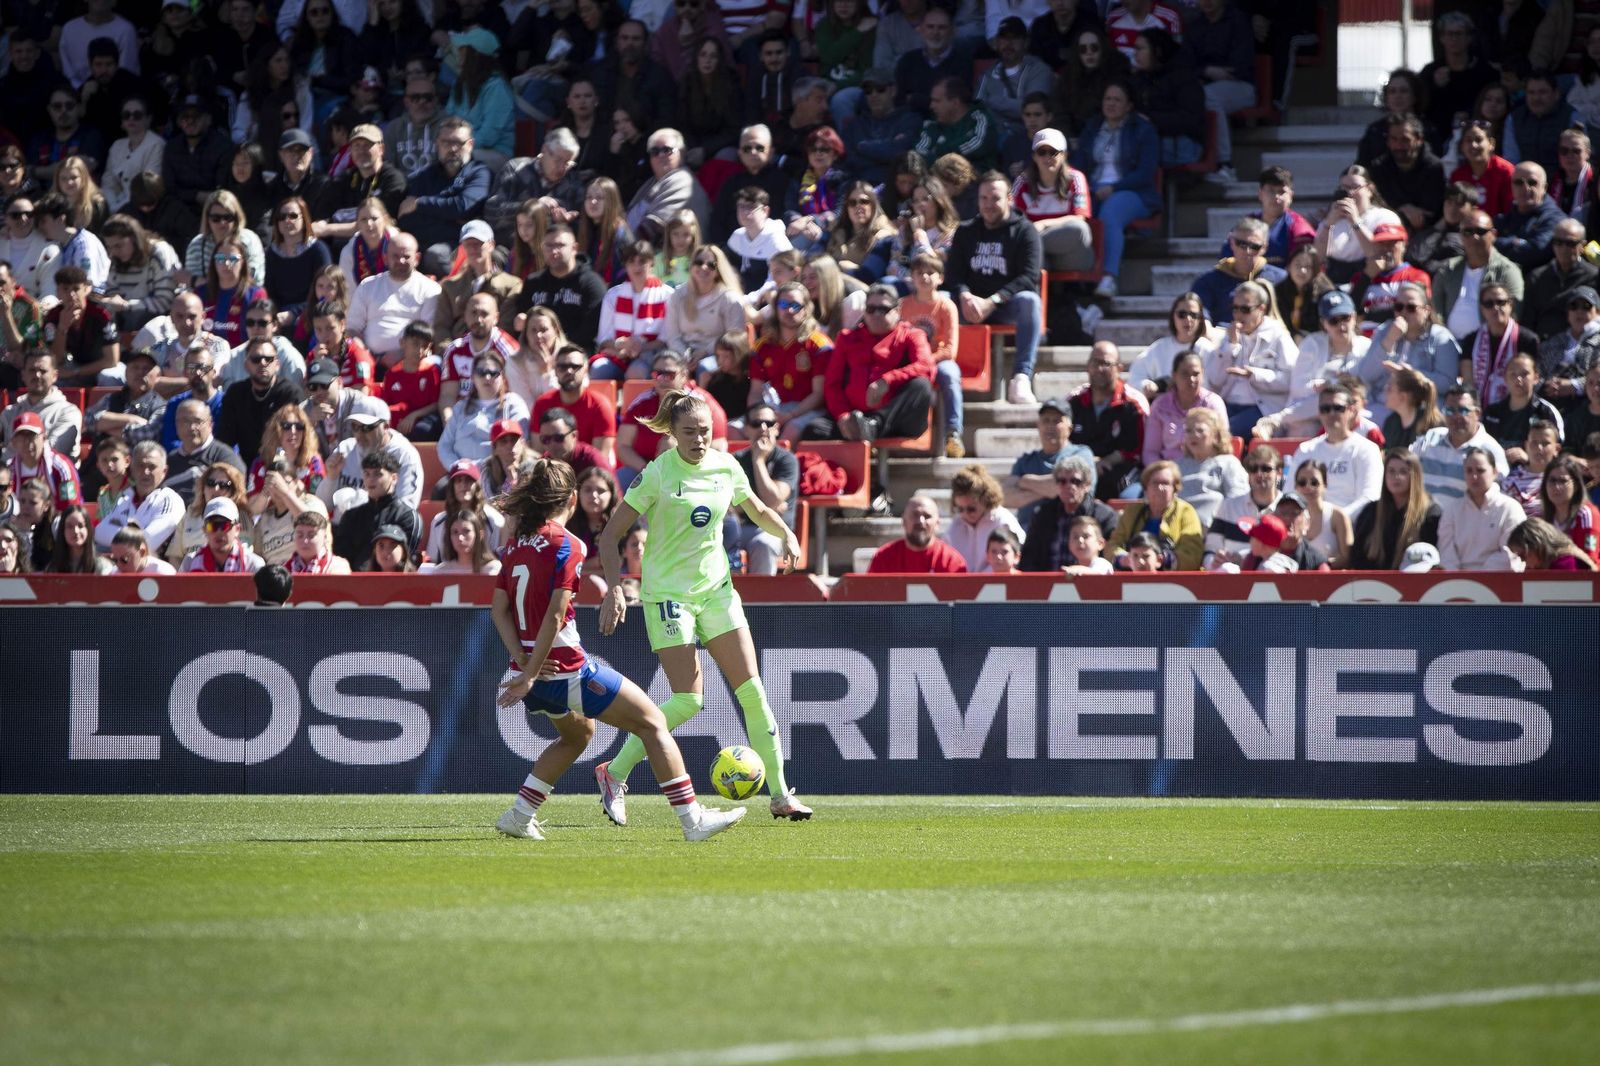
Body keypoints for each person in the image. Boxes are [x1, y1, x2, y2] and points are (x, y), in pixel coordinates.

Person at [489, 457, 745, 841]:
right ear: (571, 499)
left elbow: (498, 610)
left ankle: (519, 814)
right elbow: (555, 616)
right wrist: (531, 671)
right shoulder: (567, 544)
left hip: (532, 668)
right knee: (652, 723)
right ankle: (693, 820)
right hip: (563, 668)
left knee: (578, 735)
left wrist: (524, 663)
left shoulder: (515, 546)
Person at [590, 387, 811, 821]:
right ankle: (613, 772)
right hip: (668, 596)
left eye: (705, 430)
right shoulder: (657, 473)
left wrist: (786, 533)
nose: (699, 439)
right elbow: (610, 535)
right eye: (689, 431)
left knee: (753, 692)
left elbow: (757, 510)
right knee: (688, 701)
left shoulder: (726, 466)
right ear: (673, 433)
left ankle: (781, 795)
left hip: (717, 592)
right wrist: (615, 588)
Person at [945, 171, 1044, 405]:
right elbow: (953, 274)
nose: (988, 205)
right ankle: (934, 369)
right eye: (984, 198)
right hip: (969, 305)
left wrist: (992, 302)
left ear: (1009, 199)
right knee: (940, 299)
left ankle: (1021, 378)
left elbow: (1029, 277)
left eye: (995, 198)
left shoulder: (1025, 231)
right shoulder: (966, 230)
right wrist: (965, 295)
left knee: (1030, 301)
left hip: (1005, 305)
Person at [1070, 80, 1159, 300]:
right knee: (1074, 215)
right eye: (1107, 99)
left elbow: (1145, 173)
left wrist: (1114, 188)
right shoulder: (1092, 128)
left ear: (1129, 106)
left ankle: (1108, 278)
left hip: (1132, 191)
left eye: (1117, 100)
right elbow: (1079, 164)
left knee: (1110, 213)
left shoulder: (1143, 129)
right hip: (1093, 190)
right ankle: (1078, 281)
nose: (1111, 104)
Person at [816, 283, 935, 442]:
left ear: (897, 311)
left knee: (921, 385)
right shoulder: (847, 338)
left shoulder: (912, 335)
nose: (876, 314)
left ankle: (873, 427)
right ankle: (862, 430)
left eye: (884, 309)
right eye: (871, 309)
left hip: (898, 420)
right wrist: (842, 415)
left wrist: (887, 381)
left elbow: (926, 367)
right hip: (856, 419)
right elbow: (832, 384)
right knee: (813, 430)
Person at [1255, 290, 1370, 439]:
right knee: (1309, 422)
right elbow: (1297, 388)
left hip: (1355, 410)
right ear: (1323, 323)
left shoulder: (1367, 347)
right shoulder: (1313, 343)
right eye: (1333, 321)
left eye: (1345, 318)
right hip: (1311, 411)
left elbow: (1368, 388)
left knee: (1334, 399)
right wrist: (1319, 386)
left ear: (1354, 317)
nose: (1341, 325)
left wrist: (1332, 385)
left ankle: (1276, 420)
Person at [615, 352, 727, 486]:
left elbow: (718, 445)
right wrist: (648, 470)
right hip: (647, 470)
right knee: (621, 478)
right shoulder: (641, 403)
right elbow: (623, 446)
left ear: (683, 375)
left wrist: (685, 466)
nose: (662, 379)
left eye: (669, 374)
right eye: (657, 374)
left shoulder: (703, 403)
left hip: (692, 472)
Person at [401, 117, 492, 276]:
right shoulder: (424, 176)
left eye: (459, 143)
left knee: (435, 255)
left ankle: (454, 290)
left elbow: (463, 206)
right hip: (423, 242)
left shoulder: (480, 172)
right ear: (437, 144)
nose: (453, 148)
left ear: (470, 145)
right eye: (446, 143)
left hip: (459, 244)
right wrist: (450, 216)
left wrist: (420, 203)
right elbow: (407, 218)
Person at [721, 402, 799, 576]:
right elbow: (727, 505)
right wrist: (762, 505)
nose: (763, 428)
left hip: (774, 530)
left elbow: (772, 499)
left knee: (763, 544)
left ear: (777, 428)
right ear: (746, 429)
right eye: (756, 423)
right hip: (739, 528)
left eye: (769, 423)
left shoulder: (787, 460)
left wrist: (758, 460)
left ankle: (761, 594)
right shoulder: (735, 460)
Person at [749, 282, 833, 444]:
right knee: (734, 429)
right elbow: (755, 392)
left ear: (806, 309)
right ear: (776, 308)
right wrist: (757, 417)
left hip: (807, 410)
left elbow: (819, 395)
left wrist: (789, 415)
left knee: (791, 430)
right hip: (771, 410)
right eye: (783, 305)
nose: (789, 310)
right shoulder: (761, 347)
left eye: (796, 305)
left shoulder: (819, 345)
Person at [346, 233, 443, 367]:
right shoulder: (367, 286)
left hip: (413, 363)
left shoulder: (431, 289)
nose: (401, 261)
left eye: (406, 256)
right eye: (395, 256)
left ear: (417, 258)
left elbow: (427, 334)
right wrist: (364, 355)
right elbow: (352, 329)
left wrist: (403, 354)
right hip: (368, 362)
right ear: (385, 258)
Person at [319, 395, 425, 510]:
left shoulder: (404, 455)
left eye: (366, 428)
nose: (359, 434)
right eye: (355, 427)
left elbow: (406, 509)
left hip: (382, 520)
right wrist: (331, 477)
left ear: (385, 427)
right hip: (342, 520)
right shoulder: (345, 449)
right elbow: (323, 505)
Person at [1011, 128, 1093, 274]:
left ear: (1064, 155)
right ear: (1034, 157)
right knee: (1027, 248)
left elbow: (1079, 218)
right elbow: (1011, 218)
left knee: (1080, 229)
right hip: (1037, 257)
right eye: (1042, 152)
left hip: (1071, 257)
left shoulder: (1076, 178)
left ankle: (1031, 244)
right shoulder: (1022, 181)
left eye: (1053, 152)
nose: (1047, 157)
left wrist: (1043, 224)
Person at [1018, 454, 1119, 571]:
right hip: (1049, 580)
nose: (1069, 486)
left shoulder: (1105, 516)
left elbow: (1110, 556)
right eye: (1062, 481)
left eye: (1076, 481)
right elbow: (1028, 558)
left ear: (1087, 485)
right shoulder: (1043, 515)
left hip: (1089, 578)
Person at [1346, 448, 1441, 570]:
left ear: (1415, 476)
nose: (1396, 477)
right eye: (1391, 471)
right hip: (1374, 579)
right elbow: (1357, 556)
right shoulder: (1371, 511)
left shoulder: (1430, 513)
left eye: (1403, 472)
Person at [438, 352, 530, 475]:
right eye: (481, 372)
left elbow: (520, 443)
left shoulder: (513, 403)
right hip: (461, 475)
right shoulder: (460, 407)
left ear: (503, 377)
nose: (487, 377)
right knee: (440, 487)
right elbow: (444, 446)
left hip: (497, 473)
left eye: (493, 373)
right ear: (472, 377)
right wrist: (457, 467)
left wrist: (479, 468)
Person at [216, 338, 305, 466]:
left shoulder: (290, 393)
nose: (263, 363)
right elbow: (225, 440)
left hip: (283, 463)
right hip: (244, 467)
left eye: (268, 359)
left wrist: (275, 469)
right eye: (256, 359)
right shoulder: (235, 393)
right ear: (246, 365)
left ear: (277, 364)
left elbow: (296, 440)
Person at [517, 225, 607, 350]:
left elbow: (589, 331)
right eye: (549, 246)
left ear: (574, 248)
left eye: (560, 245)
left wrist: (558, 346)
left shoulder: (591, 284)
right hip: (537, 352)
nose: (554, 251)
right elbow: (523, 321)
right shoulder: (533, 283)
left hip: (576, 353)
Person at [593, 240, 673, 381]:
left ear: (652, 263)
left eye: (642, 261)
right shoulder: (613, 295)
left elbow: (666, 340)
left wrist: (640, 347)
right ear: (626, 265)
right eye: (631, 261)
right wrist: (620, 345)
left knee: (636, 372)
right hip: (617, 353)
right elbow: (604, 339)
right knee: (597, 370)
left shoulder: (667, 295)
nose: (637, 266)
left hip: (652, 353)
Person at [1437, 446, 1526, 570]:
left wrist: (1479, 578)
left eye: (1480, 470)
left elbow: (1512, 554)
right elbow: (1446, 553)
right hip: (1458, 579)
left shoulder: (1510, 508)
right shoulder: (1452, 510)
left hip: (1499, 577)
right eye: (1469, 471)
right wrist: (1458, 578)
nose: (1474, 476)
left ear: (1495, 472)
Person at [1191, 218, 1288, 329]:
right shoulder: (1207, 281)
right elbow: (1201, 319)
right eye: (1241, 244)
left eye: (1254, 246)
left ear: (1264, 248)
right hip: (1221, 336)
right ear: (1232, 243)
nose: (1247, 251)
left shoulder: (1281, 279)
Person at [1105, 459, 1203, 569]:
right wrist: (1123, 559)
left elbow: (1193, 553)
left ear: (1175, 488)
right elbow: (1113, 544)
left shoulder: (1186, 512)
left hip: (1172, 576)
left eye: (1165, 483)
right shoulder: (1132, 511)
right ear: (1146, 488)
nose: (1160, 488)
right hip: (1132, 574)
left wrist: (1164, 560)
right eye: (1155, 483)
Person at [1314, 164, 1402, 286]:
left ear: (1370, 189)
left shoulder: (1385, 216)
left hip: (1371, 280)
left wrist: (1355, 221)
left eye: (1355, 187)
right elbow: (1318, 257)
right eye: (1344, 188)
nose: (1350, 193)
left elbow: (1377, 254)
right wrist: (1328, 224)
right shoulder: (1332, 216)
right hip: (1335, 280)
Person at [333, 449, 422, 567]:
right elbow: (340, 557)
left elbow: (405, 560)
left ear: (394, 478)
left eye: (378, 474)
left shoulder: (407, 516)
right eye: (367, 474)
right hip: (353, 577)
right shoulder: (351, 516)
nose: (370, 479)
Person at [93, 440, 184, 555]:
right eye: (140, 466)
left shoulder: (170, 499)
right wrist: (136, 534)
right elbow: (99, 532)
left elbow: (147, 543)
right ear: (132, 468)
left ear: (164, 471)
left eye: (152, 467)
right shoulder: (126, 497)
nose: (145, 472)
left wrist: (117, 531)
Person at [531, 348, 618, 464]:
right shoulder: (542, 404)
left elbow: (599, 460)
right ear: (555, 370)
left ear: (586, 370)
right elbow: (537, 451)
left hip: (588, 471)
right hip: (552, 469)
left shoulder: (600, 406)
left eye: (575, 366)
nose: (569, 371)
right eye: (562, 367)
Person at [1461, 282, 1540, 408]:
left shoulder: (1527, 340)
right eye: (1489, 304)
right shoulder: (1471, 340)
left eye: (1501, 302)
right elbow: (1468, 382)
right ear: (1482, 309)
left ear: (1510, 304)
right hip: (1478, 407)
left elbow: (1532, 380)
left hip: (1515, 409)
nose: (1495, 308)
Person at [1204, 442, 1282, 569]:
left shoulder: (1287, 508)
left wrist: (1243, 559)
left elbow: (1290, 554)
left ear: (1279, 472)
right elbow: (1210, 552)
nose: (1259, 474)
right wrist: (1215, 562)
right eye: (1253, 469)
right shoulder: (1228, 506)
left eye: (1266, 469)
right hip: (1232, 577)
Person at [1144, 350, 1228, 468]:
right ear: (1174, 376)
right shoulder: (1160, 406)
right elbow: (1150, 451)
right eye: (1185, 374)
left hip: (1205, 469)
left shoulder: (1213, 403)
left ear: (1203, 374)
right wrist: (1162, 472)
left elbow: (1222, 445)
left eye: (1196, 374)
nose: (1191, 379)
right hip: (1168, 470)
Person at [1126, 293, 1220, 399]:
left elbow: (1217, 385)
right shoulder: (1159, 348)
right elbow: (1136, 376)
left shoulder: (1209, 350)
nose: (1188, 319)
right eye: (1182, 314)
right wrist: (1146, 386)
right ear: (1173, 316)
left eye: (1194, 315)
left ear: (1200, 319)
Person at [1370, 114, 1445, 235]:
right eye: (1394, 139)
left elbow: (1429, 212)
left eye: (1405, 140)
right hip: (1388, 228)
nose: (1399, 145)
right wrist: (1403, 207)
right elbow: (1378, 204)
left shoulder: (1434, 167)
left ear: (1419, 140)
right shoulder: (1379, 167)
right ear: (1388, 141)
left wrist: (1399, 207)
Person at [944, 464, 1025, 572]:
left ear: (986, 500)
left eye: (971, 509)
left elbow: (1019, 558)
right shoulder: (956, 525)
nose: (965, 514)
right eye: (960, 509)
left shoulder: (1003, 521)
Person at [2, 350, 82, 459]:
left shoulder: (68, 412)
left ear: (55, 375)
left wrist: (7, 455)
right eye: (32, 370)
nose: (37, 375)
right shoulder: (9, 412)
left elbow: (52, 452)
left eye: (43, 371)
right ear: (23, 375)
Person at [1175, 406, 1246, 529]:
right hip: (1175, 528)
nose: (1193, 435)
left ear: (1215, 436)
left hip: (1210, 529)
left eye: (1200, 430)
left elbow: (1238, 499)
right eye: (1188, 431)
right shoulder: (1176, 466)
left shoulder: (1228, 463)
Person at [1526, 230, 1600, 345]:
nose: (1564, 248)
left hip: (1586, 344)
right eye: (1558, 242)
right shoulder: (1537, 276)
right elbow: (1527, 320)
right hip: (1544, 345)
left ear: (1582, 245)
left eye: (1571, 243)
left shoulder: (1594, 276)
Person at [867, 493, 968, 574]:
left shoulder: (952, 562)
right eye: (915, 515)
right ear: (904, 521)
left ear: (937, 523)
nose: (921, 521)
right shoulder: (884, 558)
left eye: (927, 516)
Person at [1483, 353, 1564, 453]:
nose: (1518, 379)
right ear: (1505, 378)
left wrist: (1528, 458)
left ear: (1536, 378)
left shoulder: (1546, 412)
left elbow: (1558, 449)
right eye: (1513, 374)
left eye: (1524, 374)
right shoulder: (1491, 412)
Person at [1495, 162, 1565, 270]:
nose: (1525, 188)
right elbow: (1487, 246)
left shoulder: (1556, 220)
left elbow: (1537, 252)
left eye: (1532, 182)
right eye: (1518, 182)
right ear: (1511, 186)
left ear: (1544, 187)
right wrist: (1516, 242)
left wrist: (1502, 243)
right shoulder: (1502, 219)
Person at [6, 411, 81, 512]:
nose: (27, 442)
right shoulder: (8, 472)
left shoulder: (61, 468)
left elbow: (70, 509)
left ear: (44, 438)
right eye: (21, 436)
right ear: (14, 442)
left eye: (32, 436)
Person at [1538, 453, 1599, 563]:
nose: (1556, 487)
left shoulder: (1587, 515)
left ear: (1576, 486)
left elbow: (1589, 559)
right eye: (1552, 480)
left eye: (1563, 481)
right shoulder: (1543, 519)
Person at [180, 496, 265, 573]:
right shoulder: (190, 562)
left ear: (237, 529)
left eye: (225, 525)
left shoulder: (253, 565)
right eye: (212, 526)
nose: (219, 531)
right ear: (204, 530)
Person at [1499, 417, 1562, 516]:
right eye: (1534, 443)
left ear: (1557, 449)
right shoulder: (1511, 481)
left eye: (1545, 443)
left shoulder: (1563, 480)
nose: (1539, 448)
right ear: (1526, 446)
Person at [1379, 366, 1445, 451]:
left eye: (1389, 389)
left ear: (1403, 396)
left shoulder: (1432, 425)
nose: (1385, 392)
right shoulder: (1391, 422)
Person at [107, 522, 177, 574]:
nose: (119, 565)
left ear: (142, 552)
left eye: (125, 559)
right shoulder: (114, 574)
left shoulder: (163, 572)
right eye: (115, 560)